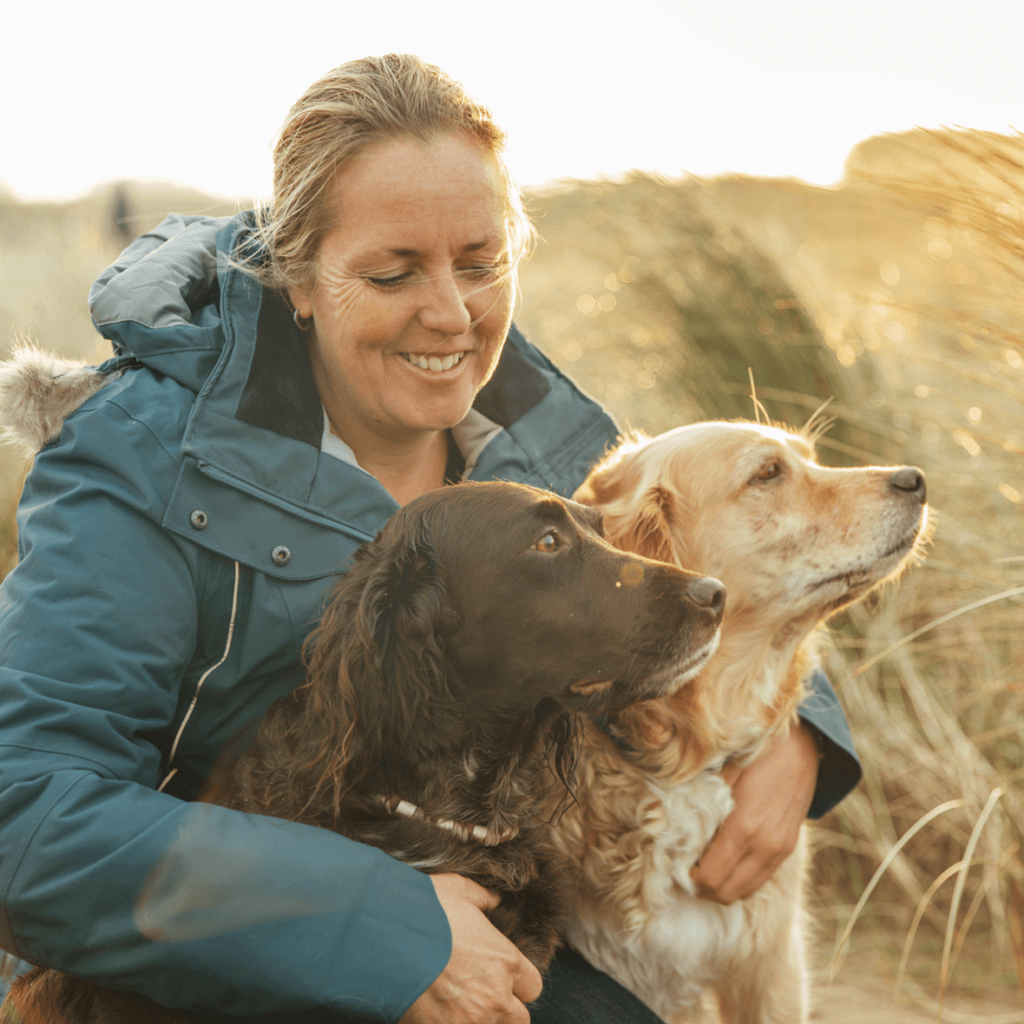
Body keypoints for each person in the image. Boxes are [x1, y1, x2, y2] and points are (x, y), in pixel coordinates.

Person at [0, 54, 860, 1022]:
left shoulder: (542, 440)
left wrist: (800, 730)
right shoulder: (143, 459)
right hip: (185, 968)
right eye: (392, 271)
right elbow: (28, 819)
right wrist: (383, 925)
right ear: (301, 278)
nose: (451, 315)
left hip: (491, 907)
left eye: (481, 262)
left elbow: (690, 574)